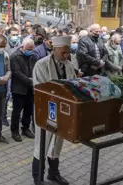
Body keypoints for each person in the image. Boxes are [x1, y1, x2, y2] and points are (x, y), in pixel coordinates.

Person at [32, 36, 75, 185]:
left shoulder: (69, 65)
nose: (66, 56)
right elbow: (38, 88)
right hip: (46, 109)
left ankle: (53, 173)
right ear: (55, 50)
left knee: (58, 142)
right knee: (42, 143)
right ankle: (37, 177)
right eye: (63, 52)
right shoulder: (41, 65)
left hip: (62, 110)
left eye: (68, 52)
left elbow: (73, 84)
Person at [10, 38, 36, 142]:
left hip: (30, 89)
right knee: (16, 111)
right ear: (22, 47)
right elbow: (17, 72)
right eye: (28, 49)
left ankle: (25, 128)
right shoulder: (15, 56)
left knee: (28, 110)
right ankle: (14, 131)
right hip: (19, 89)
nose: (30, 51)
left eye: (32, 49)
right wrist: (30, 81)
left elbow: (35, 68)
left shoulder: (33, 56)